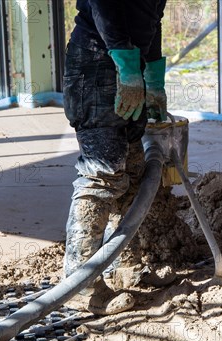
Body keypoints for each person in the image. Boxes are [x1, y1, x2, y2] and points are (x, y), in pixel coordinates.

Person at [62, 0, 168, 315]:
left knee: (134, 171)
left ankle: (124, 267)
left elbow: (152, 18)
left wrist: (153, 76)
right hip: (96, 65)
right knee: (102, 174)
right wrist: (127, 64)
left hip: (130, 64)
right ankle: (82, 285)